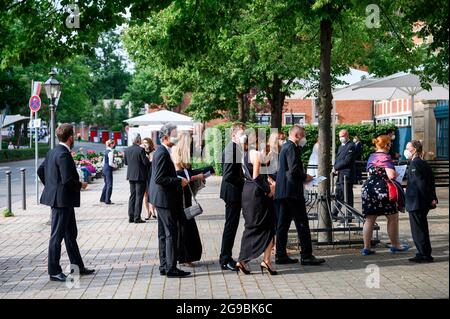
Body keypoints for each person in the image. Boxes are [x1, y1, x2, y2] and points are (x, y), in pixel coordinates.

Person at [37, 123, 95, 282]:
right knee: (57, 236)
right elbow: (68, 179)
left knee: (71, 235)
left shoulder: (53, 151)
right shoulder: (63, 154)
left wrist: (51, 186)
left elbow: (40, 171)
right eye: (74, 135)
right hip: (62, 201)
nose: (75, 137)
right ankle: (54, 271)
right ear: (70, 137)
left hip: (64, 200)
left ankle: (77, 266)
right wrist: (81, 185)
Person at [275, 125, 325, 266]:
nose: (304, 138)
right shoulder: (291, 148)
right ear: (297, 135)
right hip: (292, 193)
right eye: (303, 135)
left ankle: (280, 255)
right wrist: (306, 177)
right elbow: (294, 170)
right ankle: (306, 255)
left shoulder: (286, 147)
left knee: (283, 225)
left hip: (284, 192)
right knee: (302, 224)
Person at [149, 123, 191, 278]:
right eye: (174, 134)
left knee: (163, 233)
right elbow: (160, 178)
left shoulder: (162, 151)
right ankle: (171, 268)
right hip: (164, 198)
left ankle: (165, 265)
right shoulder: (161, 153)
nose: (176, 136)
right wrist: (178, 181)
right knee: (170, 233)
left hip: (161, 197)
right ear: (165, 137)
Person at [236, 131, 277, 275]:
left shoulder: (245, 154)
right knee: (267, 225)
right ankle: (262, 260)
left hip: (247, 191)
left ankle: (247, 260)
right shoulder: (255, 154)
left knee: (253, 226)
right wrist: (269, 190)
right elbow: (256, 177)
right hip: (257, 194)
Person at [361, 135, 409, 255]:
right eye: (389, 144)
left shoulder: (372, 156)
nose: (390, 145)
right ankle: (395, 245)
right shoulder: (385, 158)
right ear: (386, 145)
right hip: (383, 190)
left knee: (369, 219)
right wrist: (397, 172)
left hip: (368, 188)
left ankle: (366, 248)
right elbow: (391, 175)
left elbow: (369, 173)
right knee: (392, 217)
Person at [172, 132, 212, 267]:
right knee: (185, 225)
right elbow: (180, 175)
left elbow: (186, 173)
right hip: (181, 194)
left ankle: (186, 256)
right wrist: (197, 176)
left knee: (187, 224)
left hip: (184, 194)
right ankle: (184, 256)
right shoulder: (177, 154)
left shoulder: (182, 154)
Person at [219, 122, 246, 272]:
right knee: (230, 226)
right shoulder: (232, 149)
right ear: (233, 135)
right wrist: (245, 181)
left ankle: (226, 256)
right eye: (242, 133)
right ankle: (225, 258)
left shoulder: (236, 148)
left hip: (234, 192)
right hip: (232, 193)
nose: (244, 135)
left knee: (232, 225)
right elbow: (228, 175)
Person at [404, 140, 438, 263]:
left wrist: (430, 198)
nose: (406, 150)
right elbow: (430, 181)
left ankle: (423, 254)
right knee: (422, 228)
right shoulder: (423, 163)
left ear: (414, 150)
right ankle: (424, 252)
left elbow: (421, 183)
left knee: (418, 229)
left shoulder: (415, 164)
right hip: (421, 201)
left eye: (408, 148)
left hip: (417, 202)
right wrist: (433, 198)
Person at [124, 133, 150, 223]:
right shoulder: (141, 150)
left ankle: (131, 217)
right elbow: (146, 163)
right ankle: (137, 217)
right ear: (138, 140)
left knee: (132, 196)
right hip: (140, 176)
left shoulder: (127, 149)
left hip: (131, 176)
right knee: (139, 197)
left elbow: (126, 163)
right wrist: (148, 158)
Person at [332, 129, 356, 221]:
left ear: (347, 135)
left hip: (347, 175)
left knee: (348, 195)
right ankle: (334, 213)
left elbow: (347, 161)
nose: (341, 138)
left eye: (343, 136)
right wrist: (335, 168)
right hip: (340, 174)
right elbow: (338, 159)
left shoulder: (351, 146)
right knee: (339, 194)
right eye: (340, 136)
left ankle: (349, 215)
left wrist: (336, 167)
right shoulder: (340, 146)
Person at [141, 137, 156, 220]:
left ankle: (153, 210)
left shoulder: (153, 152)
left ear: (150, 143)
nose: (145, 144)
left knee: (152, 193)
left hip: (152, 174)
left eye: (146, 142)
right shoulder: (141, 152)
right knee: (145, 194)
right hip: (144, 175)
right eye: (144, 142)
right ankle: (147, 212)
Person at [100, 139, 117, 205]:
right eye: (113, 144)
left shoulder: (106, 151)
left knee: (106, 184)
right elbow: (110, 163)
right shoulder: (110, 152)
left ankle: (102, 198)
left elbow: (103, 162)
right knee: (109, 185)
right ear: (112, 144)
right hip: (108, 169)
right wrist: (115, 166)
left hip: (104, 168)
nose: (114, 145)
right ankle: (107, 200)